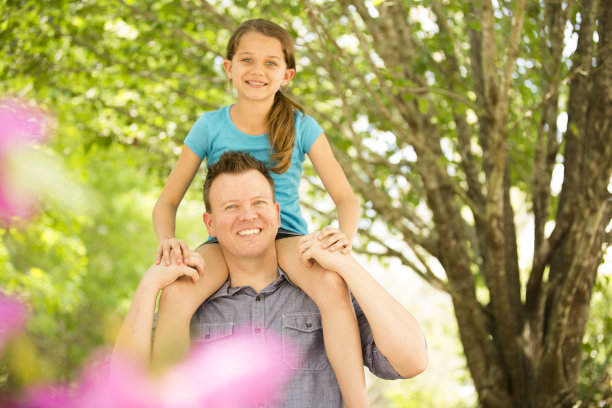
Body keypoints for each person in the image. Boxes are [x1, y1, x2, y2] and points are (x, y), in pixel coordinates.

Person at [151, 19, 365, 406]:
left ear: (287, 75)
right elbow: (167, 201)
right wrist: (168, 240)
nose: (257, 71)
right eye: (247, 59)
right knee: (177, 293)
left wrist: (343, 236)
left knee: (333, 287)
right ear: (229, 67)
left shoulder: (303, 126)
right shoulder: (209, 126)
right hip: (226, 240)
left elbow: (347, 199)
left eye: (270, 63)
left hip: (285, 239)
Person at [112, 151, 428, 407]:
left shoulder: (326, 291)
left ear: (277, 213)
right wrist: (149, 286)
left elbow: (412, 361)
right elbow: (125, 390)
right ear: (210, 224)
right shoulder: (185, 303)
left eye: (258, 203)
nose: (248, 215)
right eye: (231, 206)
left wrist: (348, 266)